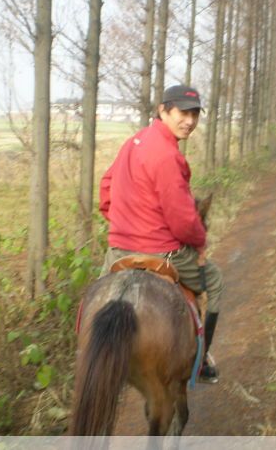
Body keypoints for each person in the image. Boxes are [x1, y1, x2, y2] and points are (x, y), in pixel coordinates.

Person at [99, 85, 223, 384]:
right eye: (183, 112)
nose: (190, 121)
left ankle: (89, 356)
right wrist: (200, 242)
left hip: (118, 251)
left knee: (96, 303)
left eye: (194, 114)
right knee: (217, 284)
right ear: (163, 110)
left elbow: (105, 191)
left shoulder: (132, 143)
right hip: (162, 253)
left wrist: (124, 223)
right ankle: (202, 358)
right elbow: (182, 220)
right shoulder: (169, 155)